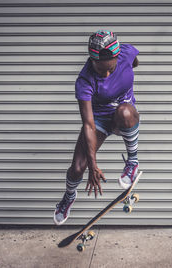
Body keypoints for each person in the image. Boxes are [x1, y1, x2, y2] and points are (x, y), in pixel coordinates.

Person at [54, 30, 140, 225]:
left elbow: (134, 63)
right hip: (98, 120)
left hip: (123, 116)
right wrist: (92, 165)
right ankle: (68, 196)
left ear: (117, 57)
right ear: (92, 61)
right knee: (77, 167)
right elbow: (89, 124)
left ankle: (132, 162)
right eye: (102, 71)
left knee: (125, 111)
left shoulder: (126, 53)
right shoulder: (85, 81)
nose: (107, 74)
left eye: (111, 68)